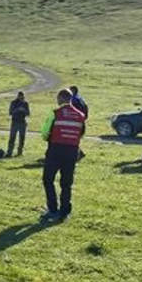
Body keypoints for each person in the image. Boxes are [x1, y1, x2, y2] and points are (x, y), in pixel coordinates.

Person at [41, 89, 87, 222]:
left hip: (55, 149)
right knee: (66, 183)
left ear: (61, 98)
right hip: (72, 151)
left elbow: (44, 133)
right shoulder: (80, 115)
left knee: (48, 179)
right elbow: (81, 133)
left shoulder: (55, 113)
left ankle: (53, 209)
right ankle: (65, 211)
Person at [7, 91, 29, 157]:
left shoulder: (25, 103)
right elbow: (10, 112)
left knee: (22, 138)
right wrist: (17, 109)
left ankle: (20, 152)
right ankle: (9, 152)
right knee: (12, 138)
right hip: (15, 122)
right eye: (20, 96)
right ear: (18, 96)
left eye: (22, 96)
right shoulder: (13, 103)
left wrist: (23, 110)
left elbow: (28, 113)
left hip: (22, 122)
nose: (21, 97)